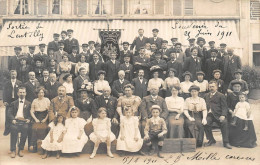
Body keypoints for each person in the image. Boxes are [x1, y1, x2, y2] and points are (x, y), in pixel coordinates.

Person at [204, 81, 232, 149]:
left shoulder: (221, 95)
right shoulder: (206, 95)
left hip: (218, 114)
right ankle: (211, 139)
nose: (211, 88)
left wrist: (223, 115)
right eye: (210, 87)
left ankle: (226, 142)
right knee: (206, 123)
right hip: (209, 114)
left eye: (213, 86)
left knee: (224, 122)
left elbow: (224, 107)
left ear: (216, 87)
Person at [7, 87, 31, 158]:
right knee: (13, 130)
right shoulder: (13, 103)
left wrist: (29, 119)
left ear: (26, 93)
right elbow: (9, 113)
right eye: (20, 92)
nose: (22, 94)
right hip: (15, 121)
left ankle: (21, 149)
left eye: (23, 92)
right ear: (17, 93)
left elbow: (30, 114)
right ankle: (13, 150)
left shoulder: (29, 103)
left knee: (25, 129)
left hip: (24, 122)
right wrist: (12, 119)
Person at [29, 87, 50, 153]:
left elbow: (49, 111)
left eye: (42, 92)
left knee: (44, 128)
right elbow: (32, 111)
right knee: (34, 128)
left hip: (45, 116)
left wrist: (45, 119)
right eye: (39, 93)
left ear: (44, 93)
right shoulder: (35, 100)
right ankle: (34, 146)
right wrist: (35, 119)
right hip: (37, 116)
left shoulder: (47, 100)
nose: (41, 94)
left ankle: (43, 147)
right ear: (37, 94)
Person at [3, 70, 22, 136]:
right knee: (7, 114)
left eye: (14, 74)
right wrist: (4, 101)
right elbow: (4, 92)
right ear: (10, 75)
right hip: (9, 100)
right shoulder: (7, 83)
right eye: (12, 74)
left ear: (16, 75)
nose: (13, 75)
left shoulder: (19, 83)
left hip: (16, 100)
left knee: (16, 113)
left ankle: (17, 128)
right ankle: (7, 129)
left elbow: (21, 92)